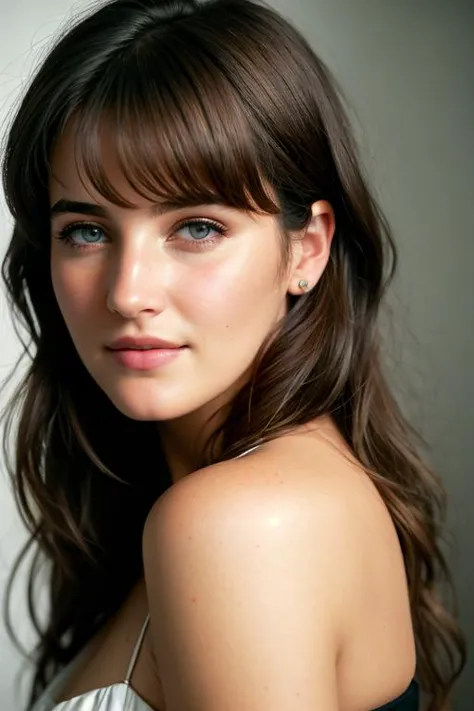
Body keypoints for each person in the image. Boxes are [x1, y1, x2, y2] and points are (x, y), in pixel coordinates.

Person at [0, 0, 466, 709]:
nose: (129, 293)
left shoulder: (236, 526)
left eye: (195, 226)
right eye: (87, 232)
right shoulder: (257, 495)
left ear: (305, 248)